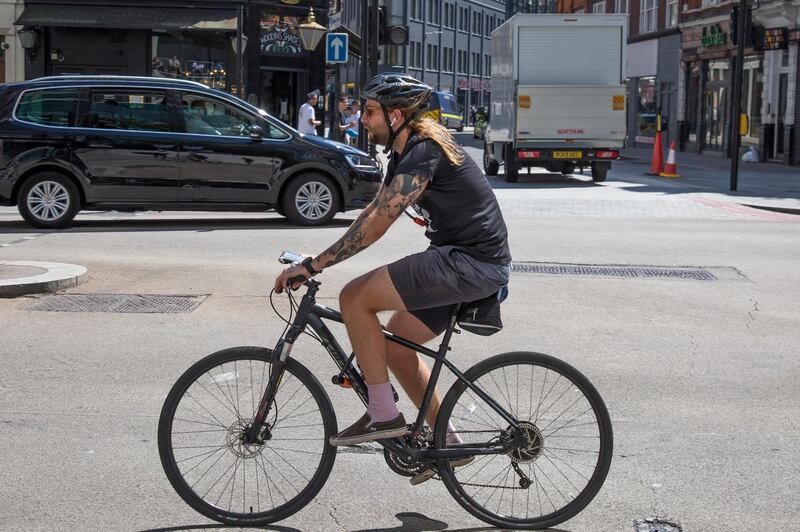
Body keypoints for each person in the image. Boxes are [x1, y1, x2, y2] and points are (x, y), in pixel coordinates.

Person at [273, 74, 511, 483]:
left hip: (467, 263)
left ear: (396, 115)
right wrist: (317, 257)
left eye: (369, 112)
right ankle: (448, 445)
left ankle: (383, 414)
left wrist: (316, 268)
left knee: (354, 298)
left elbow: (380, 224)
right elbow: (374, 210)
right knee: (396, 348)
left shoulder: (424, 151)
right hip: (464, 262)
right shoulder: (406, 153)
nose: (362, 119)